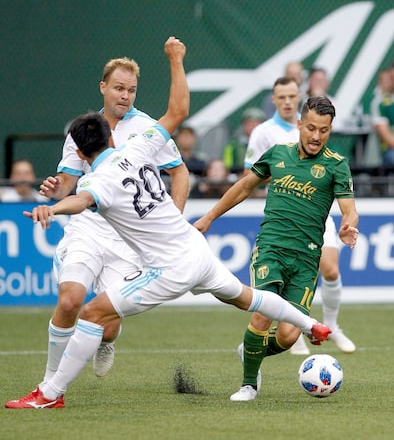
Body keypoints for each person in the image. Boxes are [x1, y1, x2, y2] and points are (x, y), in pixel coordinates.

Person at [5, 37, 331, 409]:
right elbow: (177, 110)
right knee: (248, 297)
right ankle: (311, 325)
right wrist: (176, 59)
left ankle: (49, 394)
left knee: (94, 312)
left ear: (80, 152)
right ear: (112, 136)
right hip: (196, 251)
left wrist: (53, 209)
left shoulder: (98, 181)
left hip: (170, 268)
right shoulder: (140, 146)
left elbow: (82, 198)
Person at [5, 45, 190, 409]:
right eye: (119, 87)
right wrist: (52, 193)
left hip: (129, 239)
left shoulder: (146, 128)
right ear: (103, 86)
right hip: (88, 227)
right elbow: (67, 184)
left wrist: (176, 220)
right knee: (71, 299)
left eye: (131, 90)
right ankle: (49, 390)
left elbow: (180, 172)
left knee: (107, 324)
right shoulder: (83, 130)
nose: (125, 95)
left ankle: (106, 341)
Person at [194, 96, 359, 402]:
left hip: (307, 260)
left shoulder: (336, 165)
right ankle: (248, 385)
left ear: (330, 130)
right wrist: (209, 217)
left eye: (323, 130)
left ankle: (250, 351)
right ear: (299, 124)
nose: (315, 136)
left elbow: (349, 209)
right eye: (310, 128)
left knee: (288, 335)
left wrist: (349, 225)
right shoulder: (277, 154)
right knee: (261, 317)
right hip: (270, 249)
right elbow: (244, 187)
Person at [246, 77, 356, 356]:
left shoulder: (315, 124)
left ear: (298, 98)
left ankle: (331, 325)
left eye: (291, 96)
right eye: (281, 96)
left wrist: (348, 223)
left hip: (318, 216)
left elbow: (349, 205)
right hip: (285, 216)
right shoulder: (264, 133)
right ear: (273, 99)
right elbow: (251, 177)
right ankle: (292, 328)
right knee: (278, 283)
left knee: (330, 269)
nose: (286, 101)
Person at [223, 107, 266, 175]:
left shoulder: (269, 144)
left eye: (256, 123)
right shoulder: (233, 145)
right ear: (243, 125)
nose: (252, 126)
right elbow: (227, 166)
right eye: (249, 123)